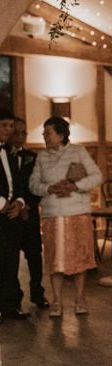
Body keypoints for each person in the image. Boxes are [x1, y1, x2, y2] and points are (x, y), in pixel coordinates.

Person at [30, 116, 101, 317]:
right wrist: (48, 187)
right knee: (54, 259)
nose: (45, 136)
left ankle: (80, 298)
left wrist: (75, 186)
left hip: (77, 213)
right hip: (52, 214)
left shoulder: (78, 151)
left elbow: (97, 176)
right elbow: (33, 184)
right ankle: (57, 300)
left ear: (61, 135)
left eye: (48, 133)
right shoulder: (41, 156)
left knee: (79, 257)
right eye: (44, 133)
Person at [9, 117, 49, 309]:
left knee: (34, 255)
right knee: (11, 259)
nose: (20, 136)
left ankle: (37, 292)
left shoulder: (33, 157)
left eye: (23, 132)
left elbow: (36, 185)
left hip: (30, 213)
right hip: (9, 215)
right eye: (16, 132)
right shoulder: (4, 155)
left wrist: (28, 206)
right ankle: (14, 297)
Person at [0, 108, 29, 322]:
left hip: (12, 215)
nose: (8, 130)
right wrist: (1, 203)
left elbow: (18, 182)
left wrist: (19, 202)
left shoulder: (10, 151)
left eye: (11, 126)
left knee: (11, 261)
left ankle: (10, 306)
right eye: (4, 125)